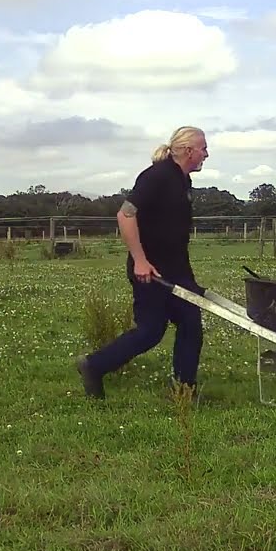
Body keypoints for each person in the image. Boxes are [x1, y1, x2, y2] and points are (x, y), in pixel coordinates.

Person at [76, 126, 209, 400]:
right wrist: (140, 261)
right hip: (150, 272)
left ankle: (184, 390)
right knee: (150, 332)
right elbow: (125, 215)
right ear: (187, 151)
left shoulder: (183, 181)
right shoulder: (157, 176)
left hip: (175, 270)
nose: (206, 154)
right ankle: (94, 365)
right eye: (203, 148)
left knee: (190, 321)